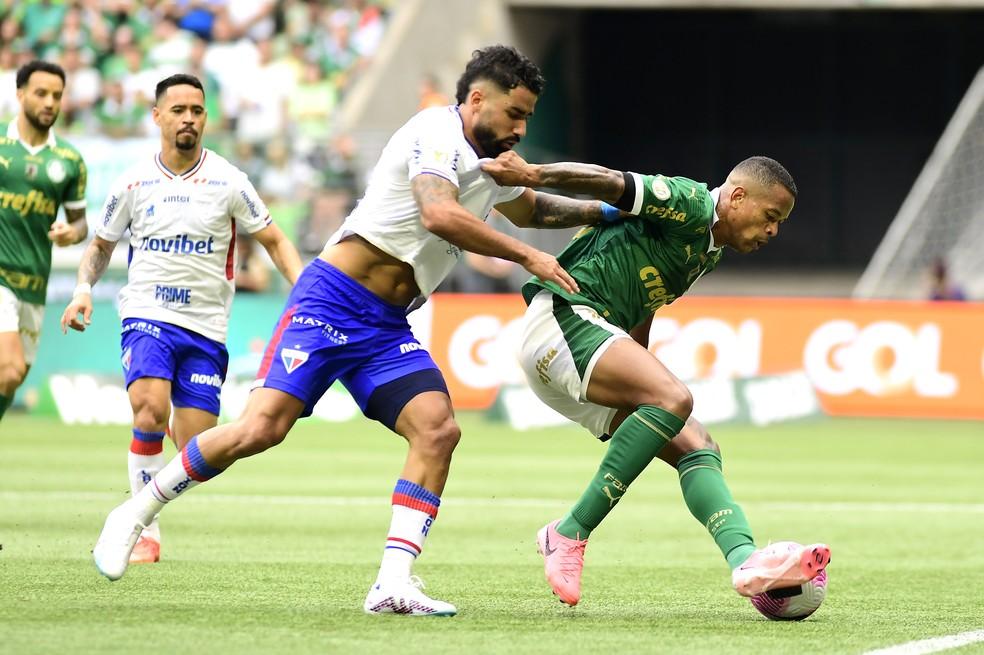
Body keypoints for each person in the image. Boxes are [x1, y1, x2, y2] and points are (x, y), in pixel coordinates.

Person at [89, 45, 609, 616]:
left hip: (385, 324)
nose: (522, 127)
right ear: (477, 100)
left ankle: (391, 583)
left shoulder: (494, 160)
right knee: (262, 428)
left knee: (437, 429)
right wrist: (526, 258)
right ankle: (134, 514)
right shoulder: (435, 129)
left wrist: (611, 211)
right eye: (515, 113)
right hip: (333, 299)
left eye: (530, 116)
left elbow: (533, 209)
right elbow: (438, 212)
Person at [481, 151, 831, 607]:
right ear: (738, 196)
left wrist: (640, 384)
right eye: (770, 216)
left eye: (780, 222)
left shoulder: (709, 251)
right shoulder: (690, 203)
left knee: (698, 445)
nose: (773, 231)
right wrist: (533, 175)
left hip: (584, 342)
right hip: (563, 317)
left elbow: (644, 305)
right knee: (673, 398)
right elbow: (609, 181)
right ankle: (568, 532)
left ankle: (747, 561)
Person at [61, 74, 302, 565]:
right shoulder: (132, 181)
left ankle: (145, 501)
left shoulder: (230, 180)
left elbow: (275, 239)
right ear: (157, 116)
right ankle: (141, 527)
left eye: (196, 109)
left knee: (199, 449)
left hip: (207, 326)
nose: (188, 118)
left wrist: (308, 294)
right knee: (148, 408)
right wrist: (83, 289)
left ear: (205, 117)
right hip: (148, 312)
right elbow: (101, 245)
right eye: (178, 110)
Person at [0, 60, 88, 424]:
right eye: (41, 93)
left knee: (13, 378)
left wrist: (72, 233)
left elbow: (80, 223)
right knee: (8, 367)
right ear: (20, 95)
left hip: (34, 286)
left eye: (57, 95)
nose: (50, 102)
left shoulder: (69, 161)